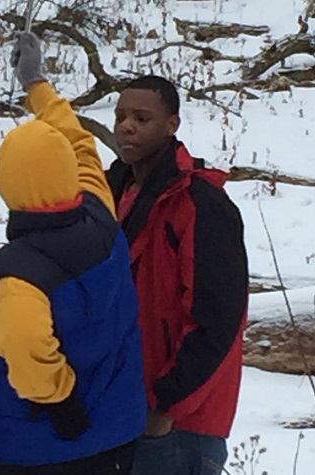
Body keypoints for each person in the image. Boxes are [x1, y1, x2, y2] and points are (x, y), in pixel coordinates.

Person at [0, 32, 146, 475]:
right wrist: (37, 83)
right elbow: (78, 141)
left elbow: (30, 356)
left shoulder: (16, 279)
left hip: (36, 448)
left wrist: (61, 400)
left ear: (6, 185)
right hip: (113, 435)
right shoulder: (99, 209)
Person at [105, 76, 249, 475]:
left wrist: (166, 406)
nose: (126, 126)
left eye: (141, 118)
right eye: (120, 116)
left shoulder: (201, 204)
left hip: (178, 428)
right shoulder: (113, 190)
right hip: (117, 413)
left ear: (172, 125)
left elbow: (218, 320)